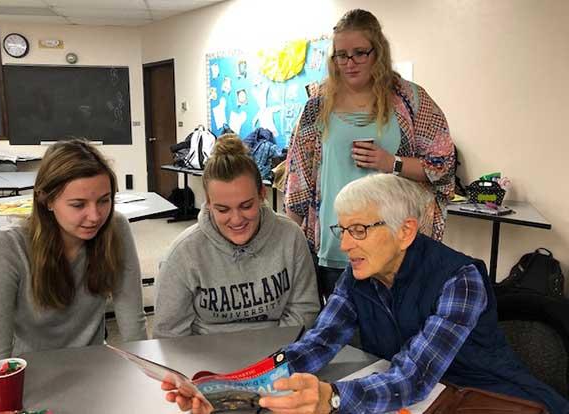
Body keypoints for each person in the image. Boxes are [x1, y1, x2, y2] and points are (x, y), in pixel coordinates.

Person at [163, 174, 569, 414]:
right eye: (344, 230)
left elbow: (413, 376)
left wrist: (331, 398)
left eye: (360, 230)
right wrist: (229, 389)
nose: (345, 245)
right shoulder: (359, 276)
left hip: (495, 401)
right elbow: (314, 345)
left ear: (405, 231)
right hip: (424, 401)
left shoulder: (459, 279)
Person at [284, 9, 456, 302]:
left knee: (394, 334)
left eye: (360, 53)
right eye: (341, 55)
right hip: (336, 242)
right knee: (341, 335)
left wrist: (392, 163)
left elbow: (443, 165)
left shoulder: (410, 99)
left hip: (392, 244)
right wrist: (291, 244)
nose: (349, 63)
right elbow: (298, 178)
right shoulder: (317, 105)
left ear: (378, 52)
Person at [0, 139, 147, 377]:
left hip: (94, 373)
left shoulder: (116, 229)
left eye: (104, 201)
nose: (95, 216)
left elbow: (133, 326)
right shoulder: (4, 248)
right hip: (28, 378)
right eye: (78, 204)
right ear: (47, 200)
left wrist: (146, 380)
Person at [153, 135, 319, 338]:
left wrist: (269, 360)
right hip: (206, 361)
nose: (236, 219)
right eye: (223, 209)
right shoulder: (183, 253)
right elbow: (169, 334)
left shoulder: (291, 237)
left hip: (278, 356)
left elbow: (304, 311)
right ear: (208, 202)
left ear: (261, 195)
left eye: (246, 206)